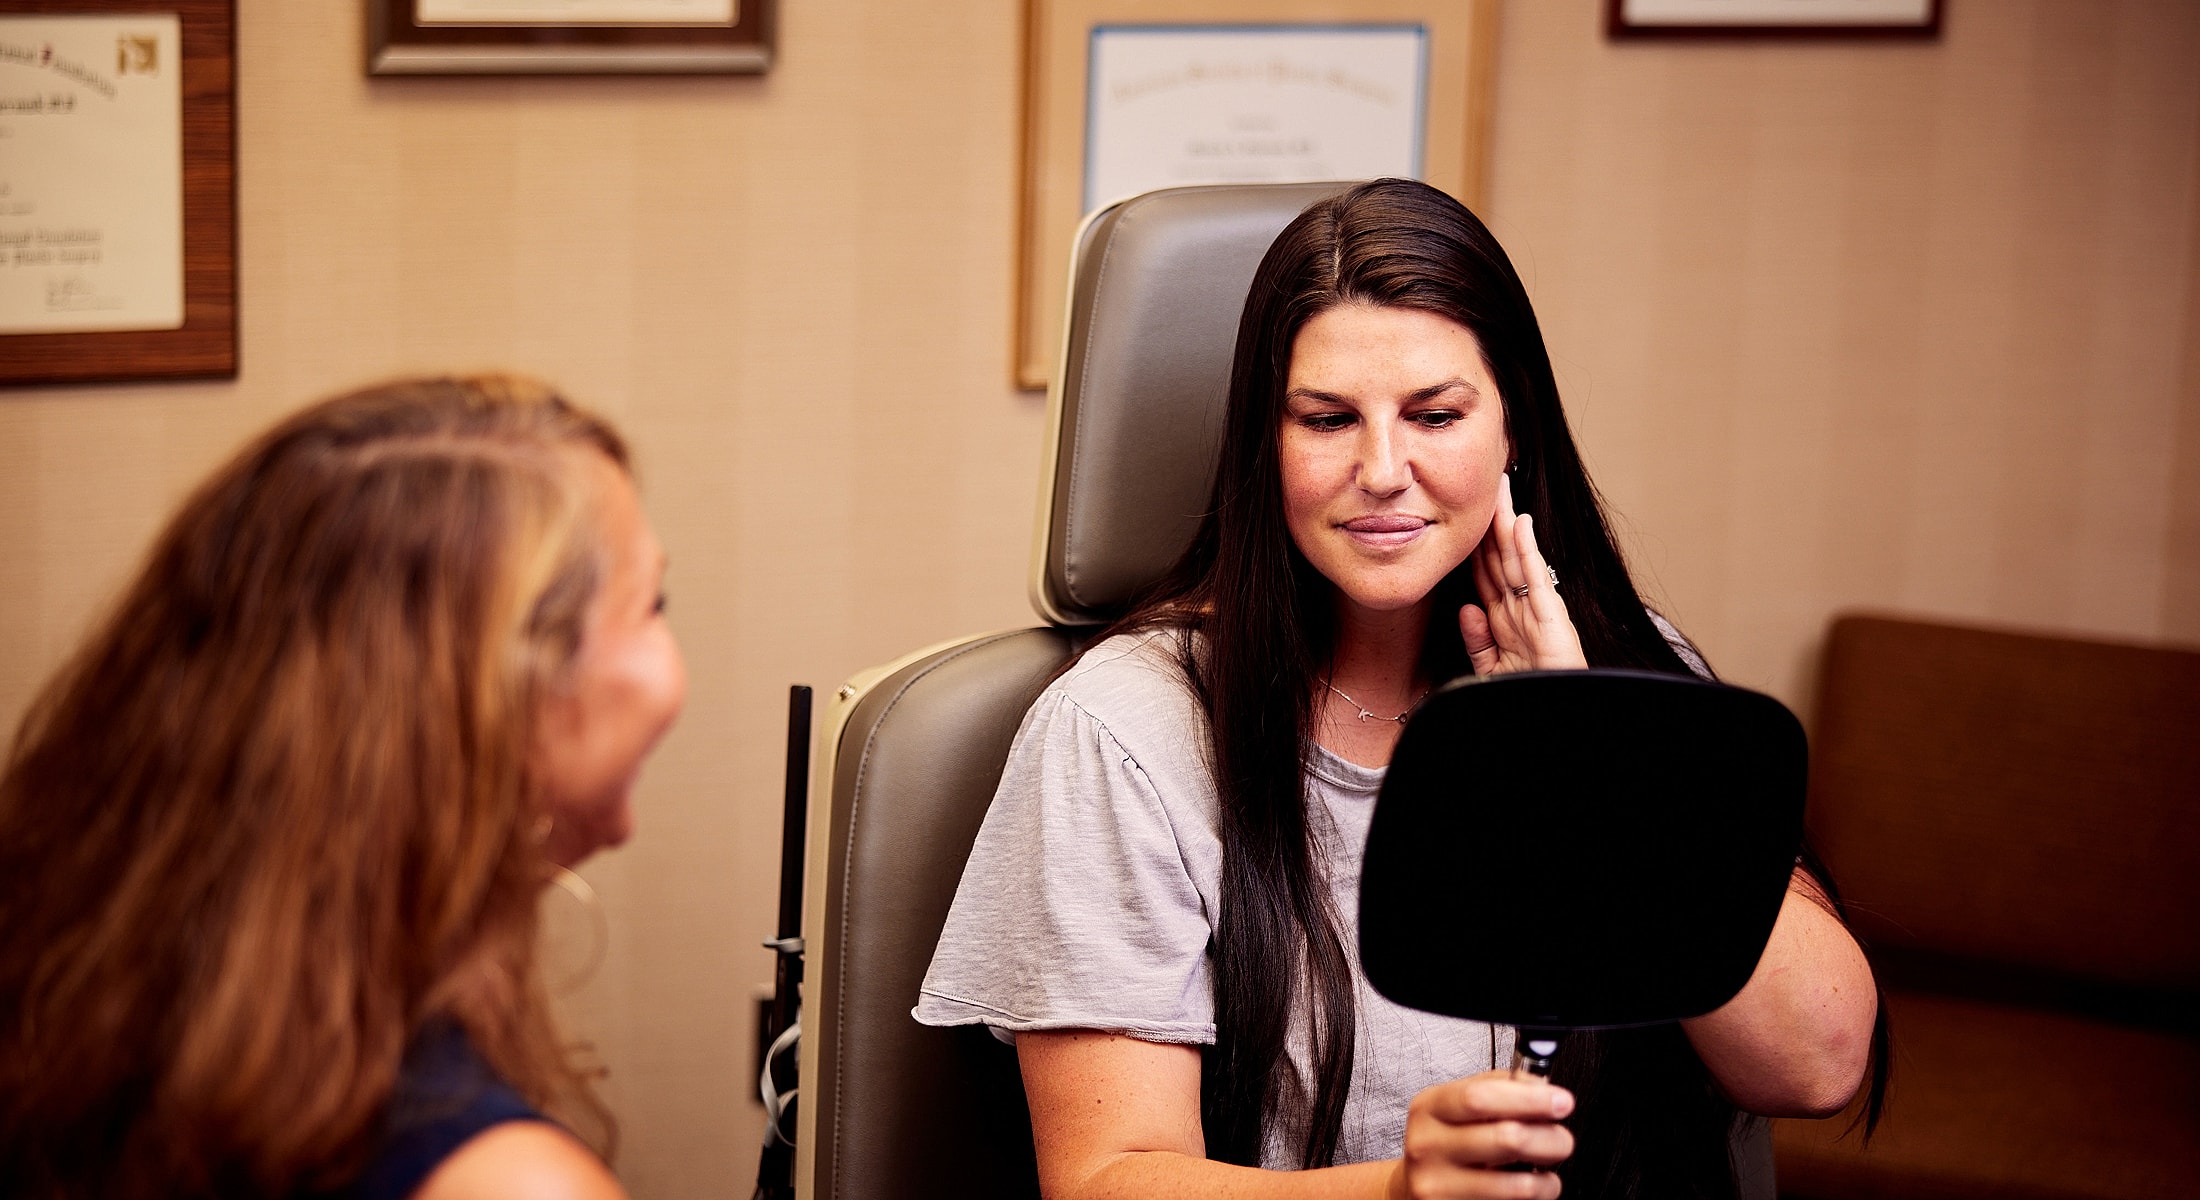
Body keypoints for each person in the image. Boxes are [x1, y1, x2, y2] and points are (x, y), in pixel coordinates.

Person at [916, 180, 1883, 1199]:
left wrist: (1582, 740)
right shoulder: (1123, 728)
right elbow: (1107, 1177)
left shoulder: (1627, 666)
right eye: (1328, 419)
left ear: (1513, 431)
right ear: (1265, 446)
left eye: (1435, 414)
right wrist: (1397, 1192)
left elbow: (1816, 1064)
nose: (1383, 469)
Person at [0, 376, 686, 1200]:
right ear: (506, 698)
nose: (673, 664)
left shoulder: (77, 1015)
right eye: (653, 604)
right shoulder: (506, 1185)